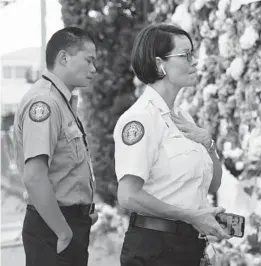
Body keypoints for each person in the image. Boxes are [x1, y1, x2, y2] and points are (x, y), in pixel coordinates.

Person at [114, 24, 231, 266]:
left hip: (189, 246)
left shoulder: (183, 118)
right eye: (186, 55)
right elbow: (128, 196)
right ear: (160, 64)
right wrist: (191, 216)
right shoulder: (140, 119)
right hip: (155, 249)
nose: (195, 61)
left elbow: (213, 185)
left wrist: (209, 144)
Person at [13, 27, 98, 266]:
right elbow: (34, 176)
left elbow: (65, 170)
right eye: (89, 60)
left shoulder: (62, 101)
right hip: (53, 230)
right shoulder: (45, 102)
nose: (94, 69)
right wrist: (64, 231)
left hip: (67, 223)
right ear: (63, 58)